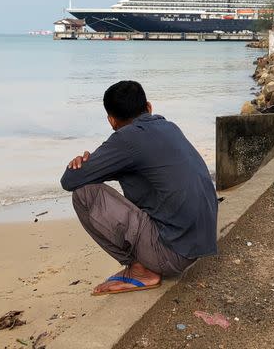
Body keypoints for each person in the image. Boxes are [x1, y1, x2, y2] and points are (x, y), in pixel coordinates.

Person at [60, 80, 217, 296]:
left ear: (111, 120)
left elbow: (70, 181)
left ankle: (141, 270)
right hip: (198, 243)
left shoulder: (126, 139)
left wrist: (84, 164)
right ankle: (146, 264)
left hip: (172, 254)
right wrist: (95, 165)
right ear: (149, 107)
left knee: (84, 194)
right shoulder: (168, 127)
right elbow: (135, 164)